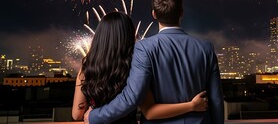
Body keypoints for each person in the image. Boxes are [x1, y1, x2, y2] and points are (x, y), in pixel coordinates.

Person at [86, 0, 224, 124]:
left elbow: (132, 97)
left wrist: (95, 116)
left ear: (154, 14)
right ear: (181, 13)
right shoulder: (205, 48)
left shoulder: (144, 48)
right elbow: (216, 99)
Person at [72, 11, 209, 123]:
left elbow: (77, 115)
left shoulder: (86, 68)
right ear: (129, 35)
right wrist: (191, 106)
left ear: (99, 37)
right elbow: (148, 110)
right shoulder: (133, 66)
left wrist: (93, 113)